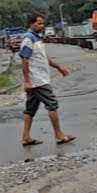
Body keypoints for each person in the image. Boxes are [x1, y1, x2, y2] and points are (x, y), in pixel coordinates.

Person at [19, 12, 76, 146]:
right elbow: (24, 61)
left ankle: (25, 137)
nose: (42, 26)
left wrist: (58, 67)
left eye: (43, 23)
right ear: (31, 24)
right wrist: (27, 81)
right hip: (38, 81)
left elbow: (43, 58)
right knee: (52, 104)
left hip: (38, 79)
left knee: (30, 109)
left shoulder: (37, 38)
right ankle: (59, 135)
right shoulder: (28, 39)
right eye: (39, 23)